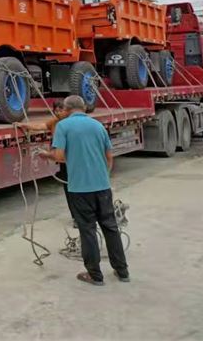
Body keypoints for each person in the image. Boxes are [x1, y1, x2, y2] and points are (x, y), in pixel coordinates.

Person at [39, 94, 129, 286]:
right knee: (110, 228)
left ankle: (95, 275)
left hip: (80, 189)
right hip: (102, 186)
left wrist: (46, 155)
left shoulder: (63, 126)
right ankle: (122, 271)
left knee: (88, 230)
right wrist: (103, 176)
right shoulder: (98, 126)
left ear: (66, 109)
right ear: (84, 108)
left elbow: (60, 156)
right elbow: (109, 156)